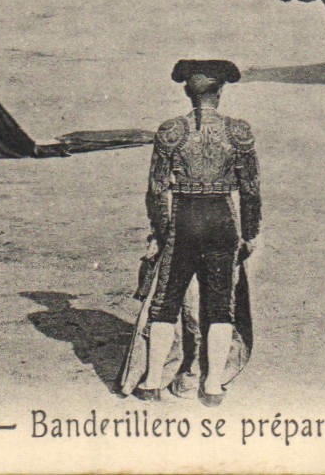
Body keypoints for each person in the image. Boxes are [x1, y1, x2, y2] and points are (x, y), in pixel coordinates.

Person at [127, 60, 259, 406]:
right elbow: (250, 189)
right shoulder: (238, 132)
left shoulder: (171, 131)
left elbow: (156, 190)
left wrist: (160, 231)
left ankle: (152, 381)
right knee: (220, 305)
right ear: (220, 91)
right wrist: (250, 232)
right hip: (221, 220)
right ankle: (213, 385)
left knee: (166, 301)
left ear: (188, 91)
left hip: (183, 219)